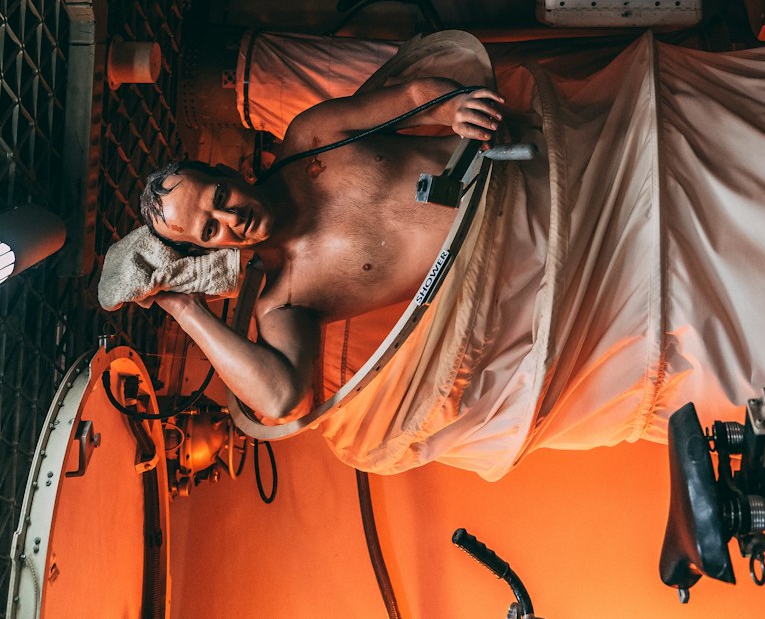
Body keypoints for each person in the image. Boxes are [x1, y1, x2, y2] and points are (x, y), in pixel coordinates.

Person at [140, 76, 504, 422]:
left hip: (516, 168)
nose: (231, 216)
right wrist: (185, 310)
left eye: (219, 196)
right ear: (209, 249)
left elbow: (412, 99)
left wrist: (455, 107)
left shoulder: (312, 135)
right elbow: (282, 400)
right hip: (514, 264)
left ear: (227, 172)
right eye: (210, 228)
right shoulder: (283, 303)